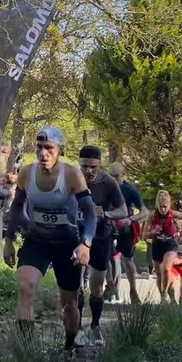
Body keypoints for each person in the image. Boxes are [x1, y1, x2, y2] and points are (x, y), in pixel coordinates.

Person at [3, 126, 97, 354]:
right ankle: (26, 353)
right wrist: (9, 240)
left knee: (69, 304)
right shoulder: (27, 173)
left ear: (59, 150)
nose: (43, 153)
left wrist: (86, 243)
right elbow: (16, 208)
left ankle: (70, 343)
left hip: (67, 244)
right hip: (37, 242)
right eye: (39, 147)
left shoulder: (71, 174)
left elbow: (90, 213)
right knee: (26, 286)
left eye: (49, 148)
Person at [76, 146, 130, 346]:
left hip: (101, 237)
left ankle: (95, 325)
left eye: (94, 167)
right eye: (85, 166)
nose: (89, 171)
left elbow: (123, 210)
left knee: (97, 285)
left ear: (100, 165)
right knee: (75, 285)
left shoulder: (108, 182)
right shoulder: (71, 179)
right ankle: (77, 327)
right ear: (79, 164)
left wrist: (105, 214)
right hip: (77, 236)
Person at [106, 161, 147, 305]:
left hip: (125, 229)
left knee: (127, 259)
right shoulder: (104, 186)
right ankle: (109, 286)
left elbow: (144, 212)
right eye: (110, 176)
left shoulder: (129, 190)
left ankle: (133, 290)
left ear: (123, 175)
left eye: (116, 176)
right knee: (105, 257)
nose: (113, 179)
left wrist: (130, 219)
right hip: (107, 227)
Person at [146, 191, 182, 303]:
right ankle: (163, 296)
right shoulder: (152, 216)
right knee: (158, 273)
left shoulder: (172, 214)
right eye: (160, 206)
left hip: (170, 244)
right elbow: (144, 235)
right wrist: (153, 232)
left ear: (169, 205)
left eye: (165, 206)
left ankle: (164, 292)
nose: (163, 209)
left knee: (165, 269)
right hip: (157, 244)